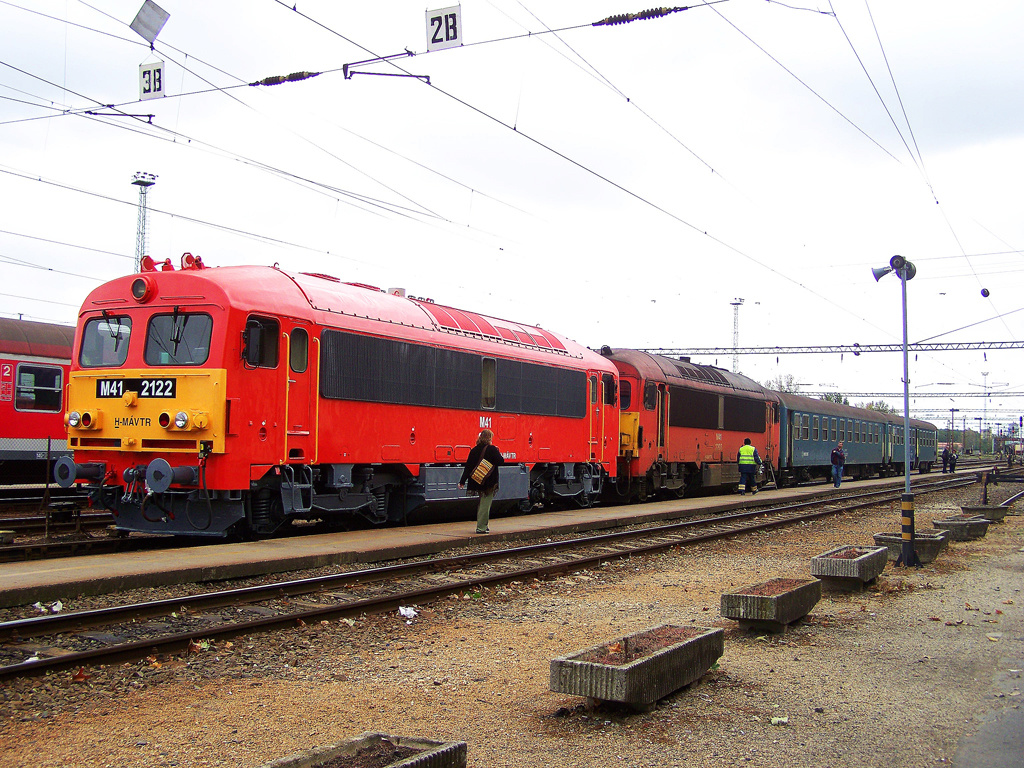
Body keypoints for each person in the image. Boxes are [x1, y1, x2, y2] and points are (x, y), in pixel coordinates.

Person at [458, 429, 505, 534]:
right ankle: (481, 527)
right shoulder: (492, 449)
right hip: (488, 482)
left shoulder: (474, 450)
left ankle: (483, 525)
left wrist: (462, 481)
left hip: (478, 480)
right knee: (485, 503)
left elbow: (468, 467)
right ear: (489, 438)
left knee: (482, 502)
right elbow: (500, 461)